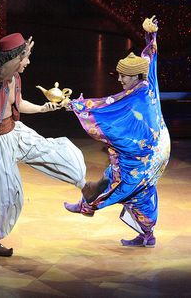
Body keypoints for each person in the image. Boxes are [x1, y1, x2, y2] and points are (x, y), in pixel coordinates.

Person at [0, 33, 108, 257]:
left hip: (13, 131)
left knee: (52, 150)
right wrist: (20, 54)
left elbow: (20, 103)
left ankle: (86, 187)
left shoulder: (15, 77)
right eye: (25, 58)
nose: (27, 62)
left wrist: (44, 108)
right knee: (2, 194)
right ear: (14, 57)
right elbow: (2, 74)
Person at [64, 16, 171, 248]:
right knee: (121, 182)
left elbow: (106, 106)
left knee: (124, 189)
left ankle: (88, 207)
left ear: (136, 76)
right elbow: (150, 58)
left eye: (124, 76)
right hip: (158, 148)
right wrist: (151, 35)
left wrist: (76, 105)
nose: (120, 79)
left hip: (144, 156)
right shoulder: (148, 81)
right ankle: (147, 236)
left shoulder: (133, 96)